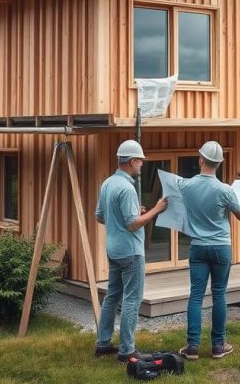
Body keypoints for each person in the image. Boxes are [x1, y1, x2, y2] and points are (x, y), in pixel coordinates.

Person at [178, 140, 240, 360]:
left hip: (198, 248)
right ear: (219, 164)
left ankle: (192, 347)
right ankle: (218, 346)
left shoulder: (186, 186)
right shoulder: (225, 190)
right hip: (221, 247)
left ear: (201, 160)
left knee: (196, 296)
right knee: (219, 294)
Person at [94, 139, 168, 361]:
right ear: (132, 161)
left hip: (114, 250)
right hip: (131, 252)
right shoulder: (127, 188)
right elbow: (132, 224)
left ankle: (103, 343)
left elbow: (100, 215)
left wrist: (135, 212)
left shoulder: (108, 183)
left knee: (112, 297)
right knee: (132, 300)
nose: (142, 165)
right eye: (140, 161)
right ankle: (127, 350)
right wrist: (156, 209)